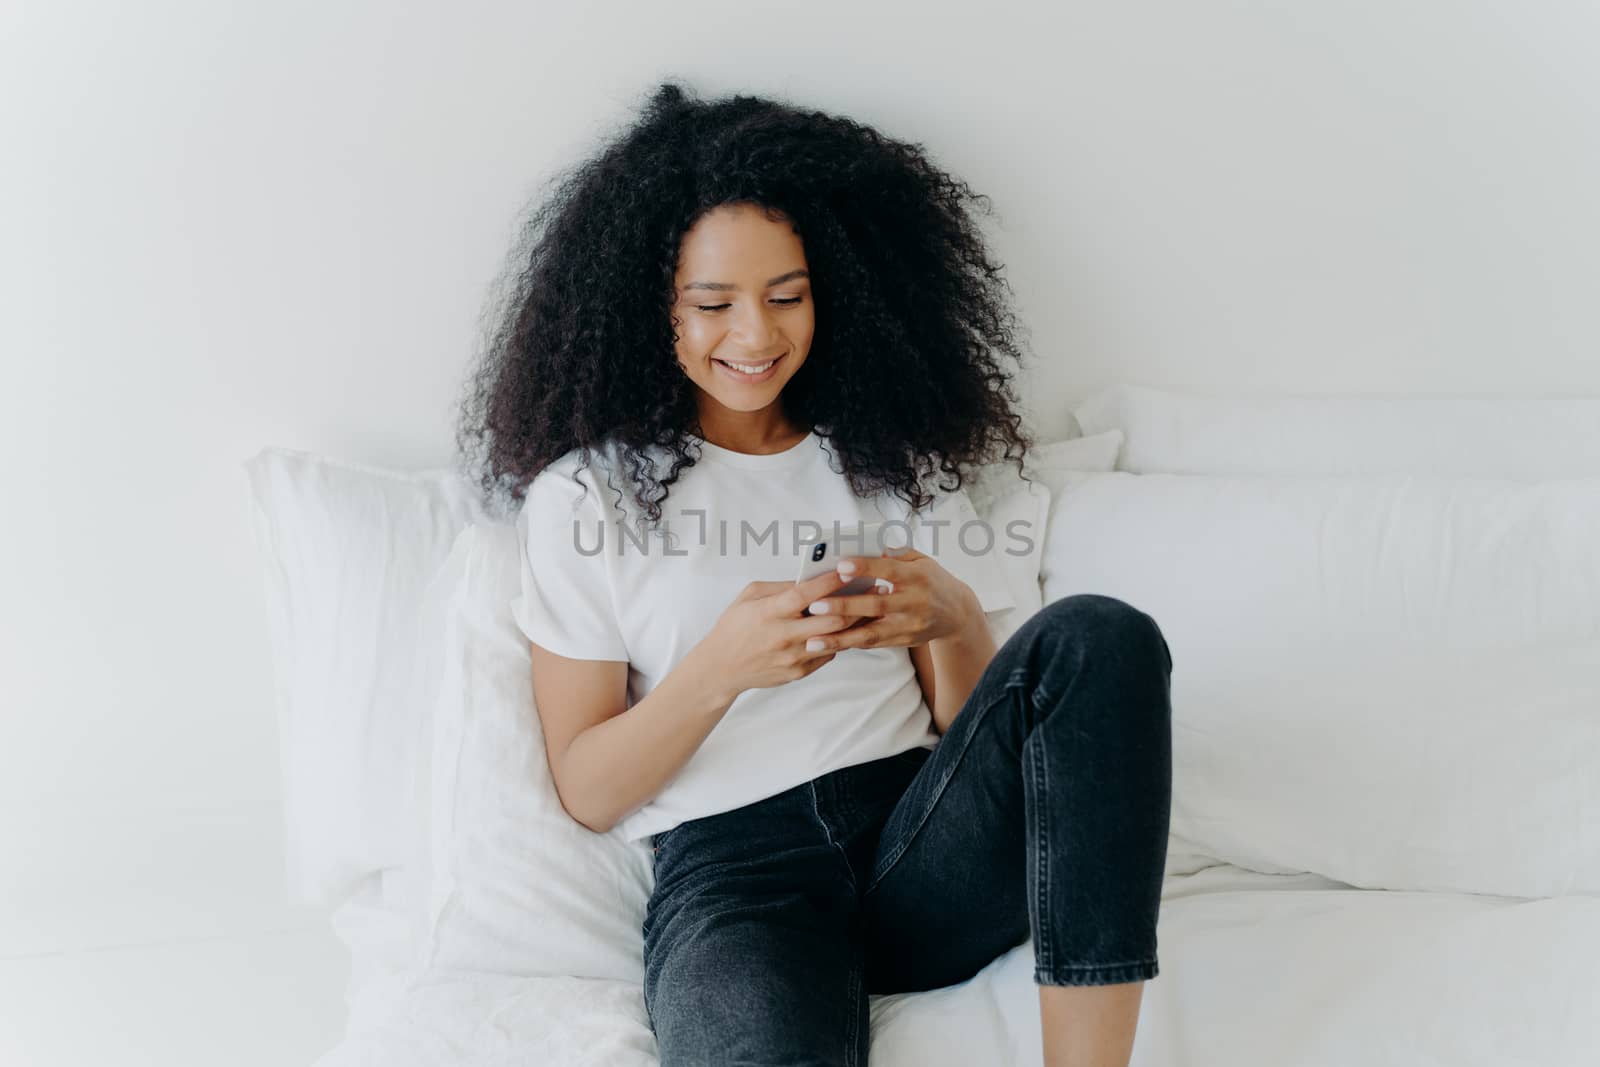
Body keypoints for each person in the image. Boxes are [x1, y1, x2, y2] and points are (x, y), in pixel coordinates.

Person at [456, 80, 1173, 1067]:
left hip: (921, 840)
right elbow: (586, 786)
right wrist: (720, 668)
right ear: (646, 309)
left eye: (786, 297)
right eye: (712, 304)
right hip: (737, 877)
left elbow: (976, 740)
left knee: (1101, 635)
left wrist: (955, 617)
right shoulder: (587, 497)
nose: (753, 337)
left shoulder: (884, 458)